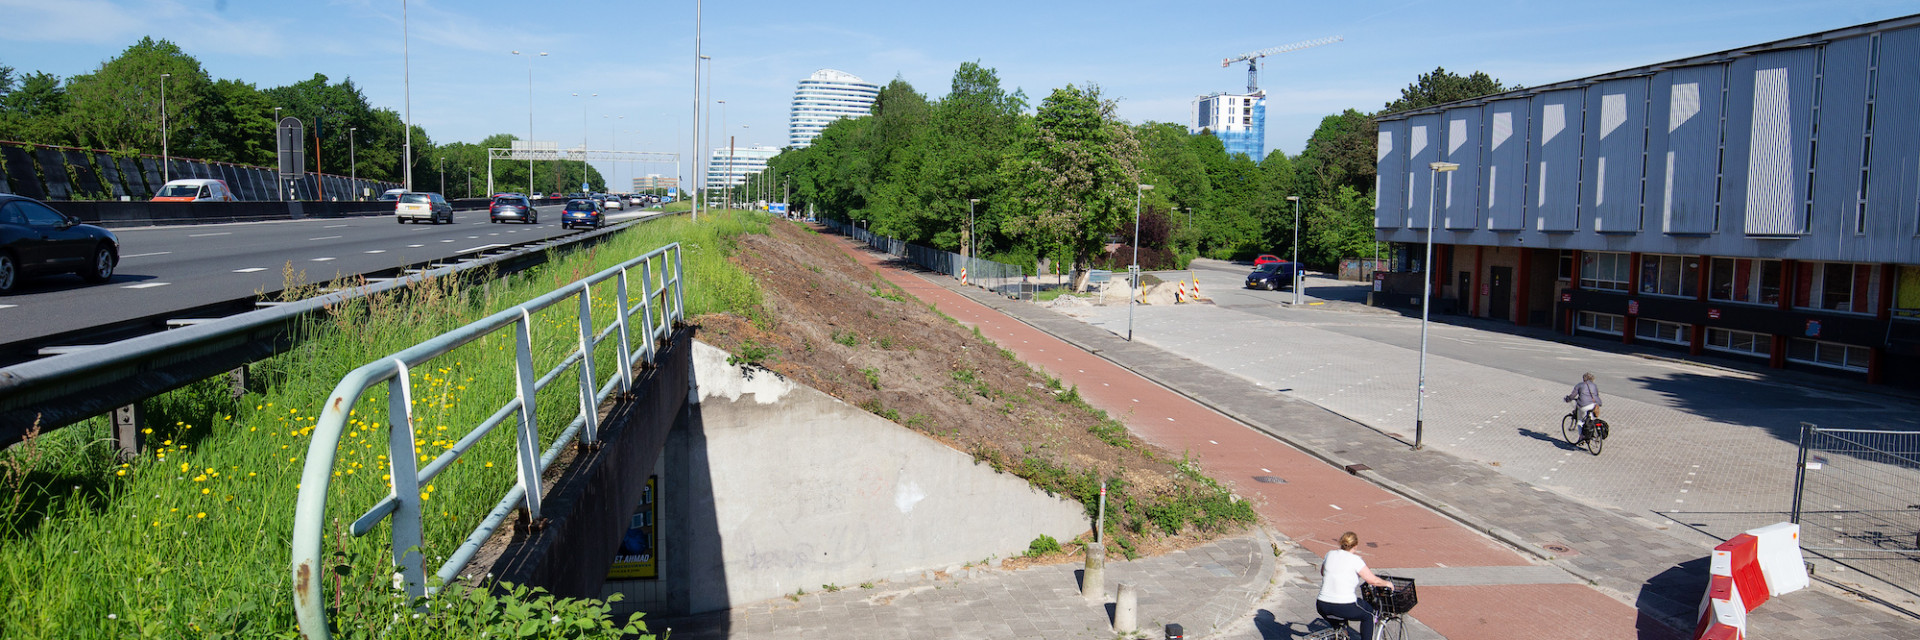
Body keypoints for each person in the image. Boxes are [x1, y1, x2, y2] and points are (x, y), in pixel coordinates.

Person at [1318, 531, 1394, 640]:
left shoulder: (1330, 554)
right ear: (1356, 545)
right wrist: (1387, 583)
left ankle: (1340, 633)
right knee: (1368, 615)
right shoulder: (1356, 560)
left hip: (1322, 605)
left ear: (1341, 543)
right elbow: (1372, 580)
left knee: (1338, 622)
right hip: (1344, 606)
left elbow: (1322, 572)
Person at [1564, 373, 1602, 440]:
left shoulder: (1579, 385)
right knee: (1591, 420)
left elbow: (1573, 395)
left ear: (1584, 378)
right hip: (1594, 405)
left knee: (1580, 421)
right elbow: (1596, 395)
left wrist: (1568, 399)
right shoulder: (1594, 385)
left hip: (1583, 405)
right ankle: (1593, 434)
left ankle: (1581, 437)